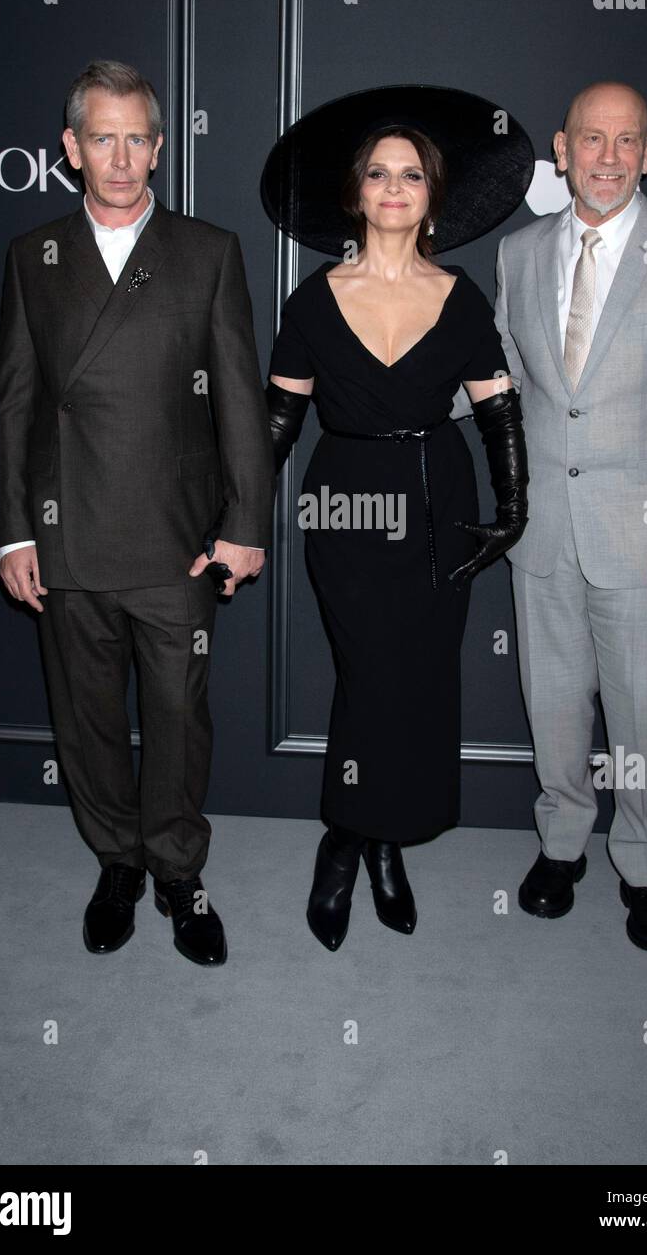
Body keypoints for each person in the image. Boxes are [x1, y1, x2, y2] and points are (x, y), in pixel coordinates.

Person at [0, 60, 274, 967]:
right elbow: (13, 405)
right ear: (71, 148)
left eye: (137, 138)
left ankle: (179, 875)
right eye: (100, 137)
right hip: (67, 534)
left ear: (160, 145)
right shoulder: (33, 254)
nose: (120, 157)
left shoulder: (208, 250)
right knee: (87, 720)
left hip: (174, 543)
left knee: (179, 720)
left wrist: (245, 527)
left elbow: (239, 404)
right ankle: (116, 861)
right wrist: (13, 530)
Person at [259, 85, 534, 950]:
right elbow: (278, 420)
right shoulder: (313, 299)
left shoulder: (462, 298)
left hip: (438, 500)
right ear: (356, 192)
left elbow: (498, 409)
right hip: (345, 499)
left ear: (430, 193)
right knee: (368, 672)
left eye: (410, 174)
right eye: (377, 173)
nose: (392, 187)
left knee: (417, 681)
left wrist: (513, 508)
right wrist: (238, 516)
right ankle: (348, 844)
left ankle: (377, 844)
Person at [495, 81, 647, 950]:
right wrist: (396, 367)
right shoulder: (520, 255)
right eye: (590, 140)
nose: (606, 157)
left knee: (642, 708)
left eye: (624, 141)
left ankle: (644, 865)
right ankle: (561, 845)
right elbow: (506, 383)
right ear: (560, 150)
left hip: (644, 536)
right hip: (545, 532)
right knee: (553, 701)